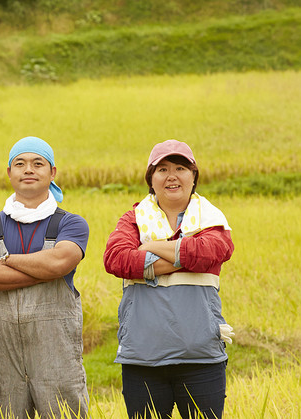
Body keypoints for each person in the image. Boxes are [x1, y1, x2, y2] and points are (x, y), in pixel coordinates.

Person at [103, 139, 234, 419]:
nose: (172, 175)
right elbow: (115, 258)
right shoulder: (133, 219)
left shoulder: (211, 219)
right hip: (143, 355)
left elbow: (213, 250)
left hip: (201, 356)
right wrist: (184, 257)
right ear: (151, 179)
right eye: (162, 169)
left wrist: (148, 247)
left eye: (180, 168)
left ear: (193, 176)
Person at [0, 136, 90, 419]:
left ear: (53, 173)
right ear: (9, 172)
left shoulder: (70, 223)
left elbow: (60, 261)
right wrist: (43, 270)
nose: (29, 170)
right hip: (1, 355)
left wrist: (8, 260)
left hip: (56, 354)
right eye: (19, 163)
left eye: (38, 163)